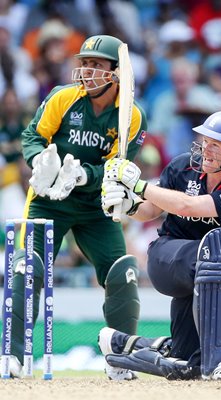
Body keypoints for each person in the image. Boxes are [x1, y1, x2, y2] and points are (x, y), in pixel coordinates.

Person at [3, 34, 147, 379]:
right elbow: (32, 136)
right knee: (27, 269)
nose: (85, 70)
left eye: (95, 65)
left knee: (122, 272)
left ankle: (121, 359)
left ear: (116, 72)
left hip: (96, 204)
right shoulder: (63, 97)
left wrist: (83, 174)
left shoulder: (131, 116)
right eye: (83, 63)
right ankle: (16, 358)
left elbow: (119, 168)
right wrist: (41, 163)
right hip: (49, 202)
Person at [99, 110, 221, 381]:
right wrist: (126, 204)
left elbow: (189, 205)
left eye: (216, 144)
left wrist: (137, 185)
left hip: (201, 277)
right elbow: (150, 210)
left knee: (187, 364)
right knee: (215, 254)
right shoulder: (182, 166)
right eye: (206, 140)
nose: (206, 148)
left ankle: (119, 344)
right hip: (166, 256)